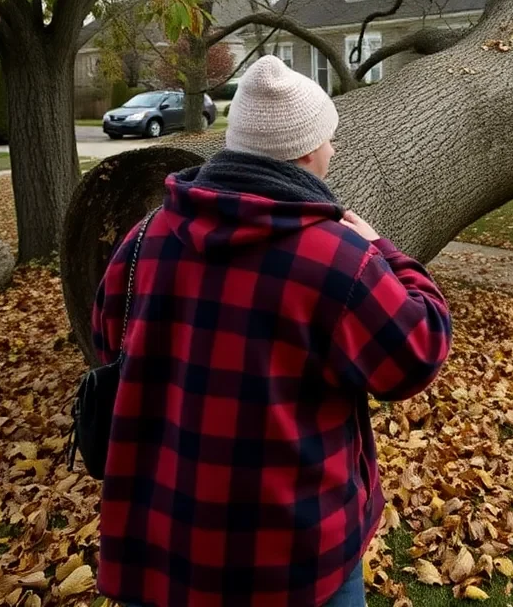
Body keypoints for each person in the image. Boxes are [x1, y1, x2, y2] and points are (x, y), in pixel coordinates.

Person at [91, 55, 452, 607]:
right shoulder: (339, 257)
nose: (333, 152)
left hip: (159, 540)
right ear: (308, 152)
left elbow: (105, 342)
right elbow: (417, 353)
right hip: (294, 559)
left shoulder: (146, 237)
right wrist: (384, 251)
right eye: (330, 141)